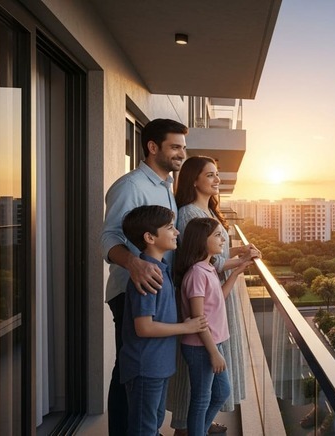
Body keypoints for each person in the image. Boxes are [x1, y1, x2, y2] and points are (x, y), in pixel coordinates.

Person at [100, 118, 188, 436]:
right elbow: (108, 238)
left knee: (141, 372)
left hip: (157, 290)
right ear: (153, 147)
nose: (182, 153)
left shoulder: (165, 188)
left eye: (183, 147)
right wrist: (133, 264)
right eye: (175, 146)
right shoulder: (131, 186)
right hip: (132, 290)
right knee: (130, 371)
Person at [168, 156, 259, 435]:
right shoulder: (189, 215)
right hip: (205, 303)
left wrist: (240, 256)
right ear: (194, 180)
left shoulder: (206, 212)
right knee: (201, 387)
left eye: (217, 174)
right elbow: (205, 259)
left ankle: (196, 425)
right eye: (210, 175)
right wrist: (235, 262)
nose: (217, 180)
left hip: (214, 294)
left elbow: (216, 255)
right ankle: (188, 426)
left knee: (211, 387)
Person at [119, 205, 208, 436]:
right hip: (145, 367)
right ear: (150, 237)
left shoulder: (161, 269)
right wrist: (186, 327)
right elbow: (144, 327)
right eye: (170, 227)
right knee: (144, 429)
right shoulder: (147, 276)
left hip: (159, 365)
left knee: (154, 423)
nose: (177, 232)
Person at [174, 218, 252, 436]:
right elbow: (199, 320)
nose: (223, 239)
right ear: (201, 240)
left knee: (221, 393)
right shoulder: (197, 273)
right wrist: (214, 353)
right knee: (201, 399)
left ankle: (197, 431)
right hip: (201, 347)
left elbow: (219, 298)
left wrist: (236, 273)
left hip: (212, 343)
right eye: (217, 235)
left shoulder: (207, 268)